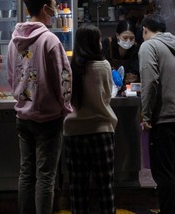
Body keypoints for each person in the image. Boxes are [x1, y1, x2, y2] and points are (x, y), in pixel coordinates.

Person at [6, 0, 73, 214]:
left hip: (23, 116)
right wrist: (65, 108)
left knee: (27, 173)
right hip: (48, 117)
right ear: (45, 9)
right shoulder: (50, 40)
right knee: (46, 176)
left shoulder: (14, 40)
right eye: (54, 8)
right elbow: (63, 79)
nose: (55, 13)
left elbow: (11, 77)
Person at [63, 23, 118, 214]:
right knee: (105, 188)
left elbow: (65, 98)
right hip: (101, 132)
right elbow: (107, 96)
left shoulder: (70, 69)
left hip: (74, 133)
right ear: (94, 43)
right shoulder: (103, 66)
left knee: (78, 189)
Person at [138, 13, 175, 214]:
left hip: (164, 117)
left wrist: (146, 114)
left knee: (163, 172)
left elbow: (149, 82)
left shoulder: (148, 46)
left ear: (144, 30)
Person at [101, 19, 140, 87]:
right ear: (117, 35)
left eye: (131, 38)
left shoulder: (136, 48)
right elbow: (101, 64)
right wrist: (112, 72)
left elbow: (135, 72)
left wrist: (124, 77)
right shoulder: (107, 44)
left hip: (128, 87)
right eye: (125, 38)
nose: (128, 41)